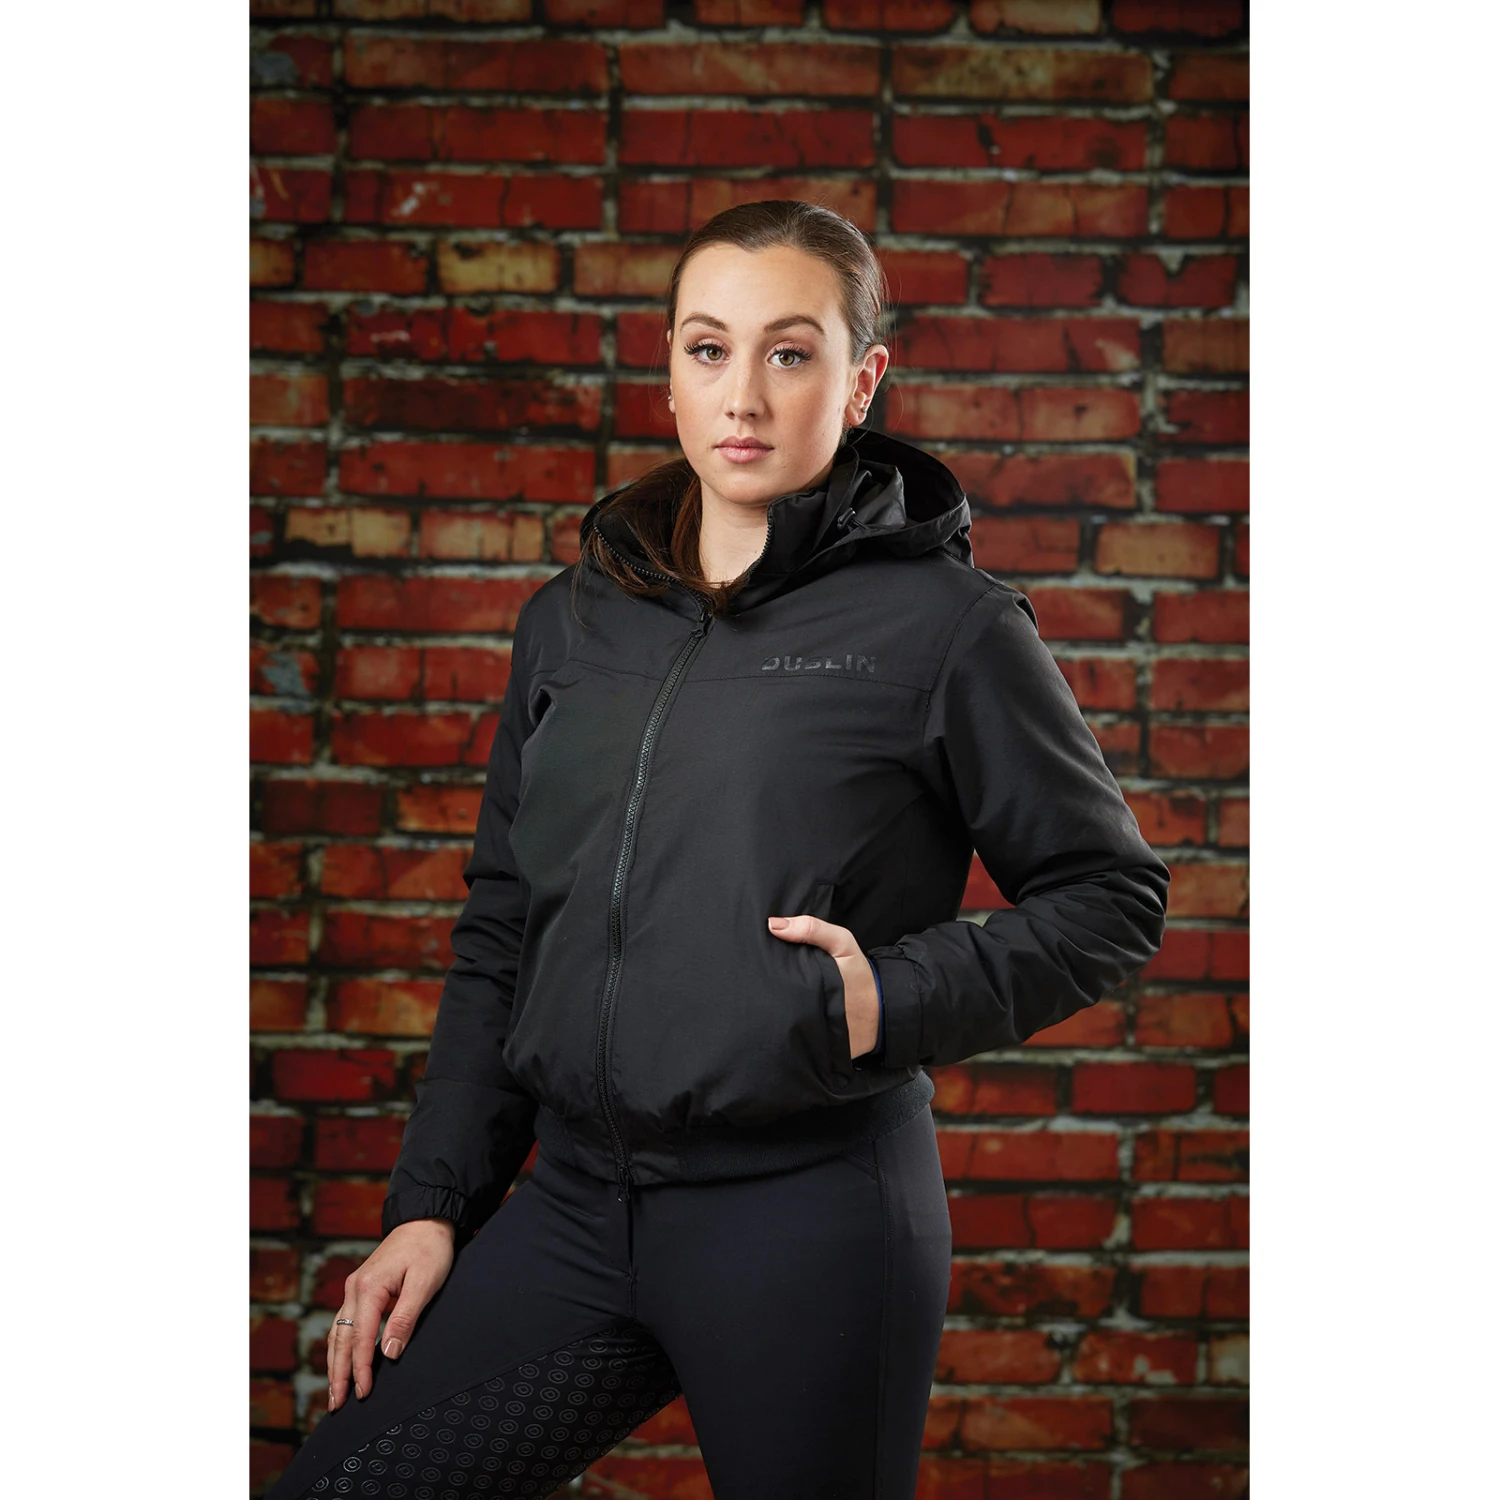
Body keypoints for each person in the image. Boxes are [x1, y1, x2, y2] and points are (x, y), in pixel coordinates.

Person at [264, 199, 1171, 1500]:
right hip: (574, 1209)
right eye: (708, 348)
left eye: (790, 352)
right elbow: (505, 927)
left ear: (861, 381)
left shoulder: (949, 628)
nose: (743, 393)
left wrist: (889, 997)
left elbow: (1111, 897)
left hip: (811, 1216)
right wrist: (432, 1204)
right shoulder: (570, 623)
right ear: (671, 372)